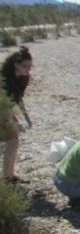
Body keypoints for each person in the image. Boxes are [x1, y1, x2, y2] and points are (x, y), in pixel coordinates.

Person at [1, 46, 33, 183]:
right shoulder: (4, 80)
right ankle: (7, 178)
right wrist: (7, 119)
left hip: (7, 112)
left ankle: (8, 176)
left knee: (13, 142)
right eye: (25, 66)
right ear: (15, 65)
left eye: (30, 65)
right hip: (3, 111)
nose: (28, 69)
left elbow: (18, 99)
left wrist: (25, 117)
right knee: (12, 142)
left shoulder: (23, 79)